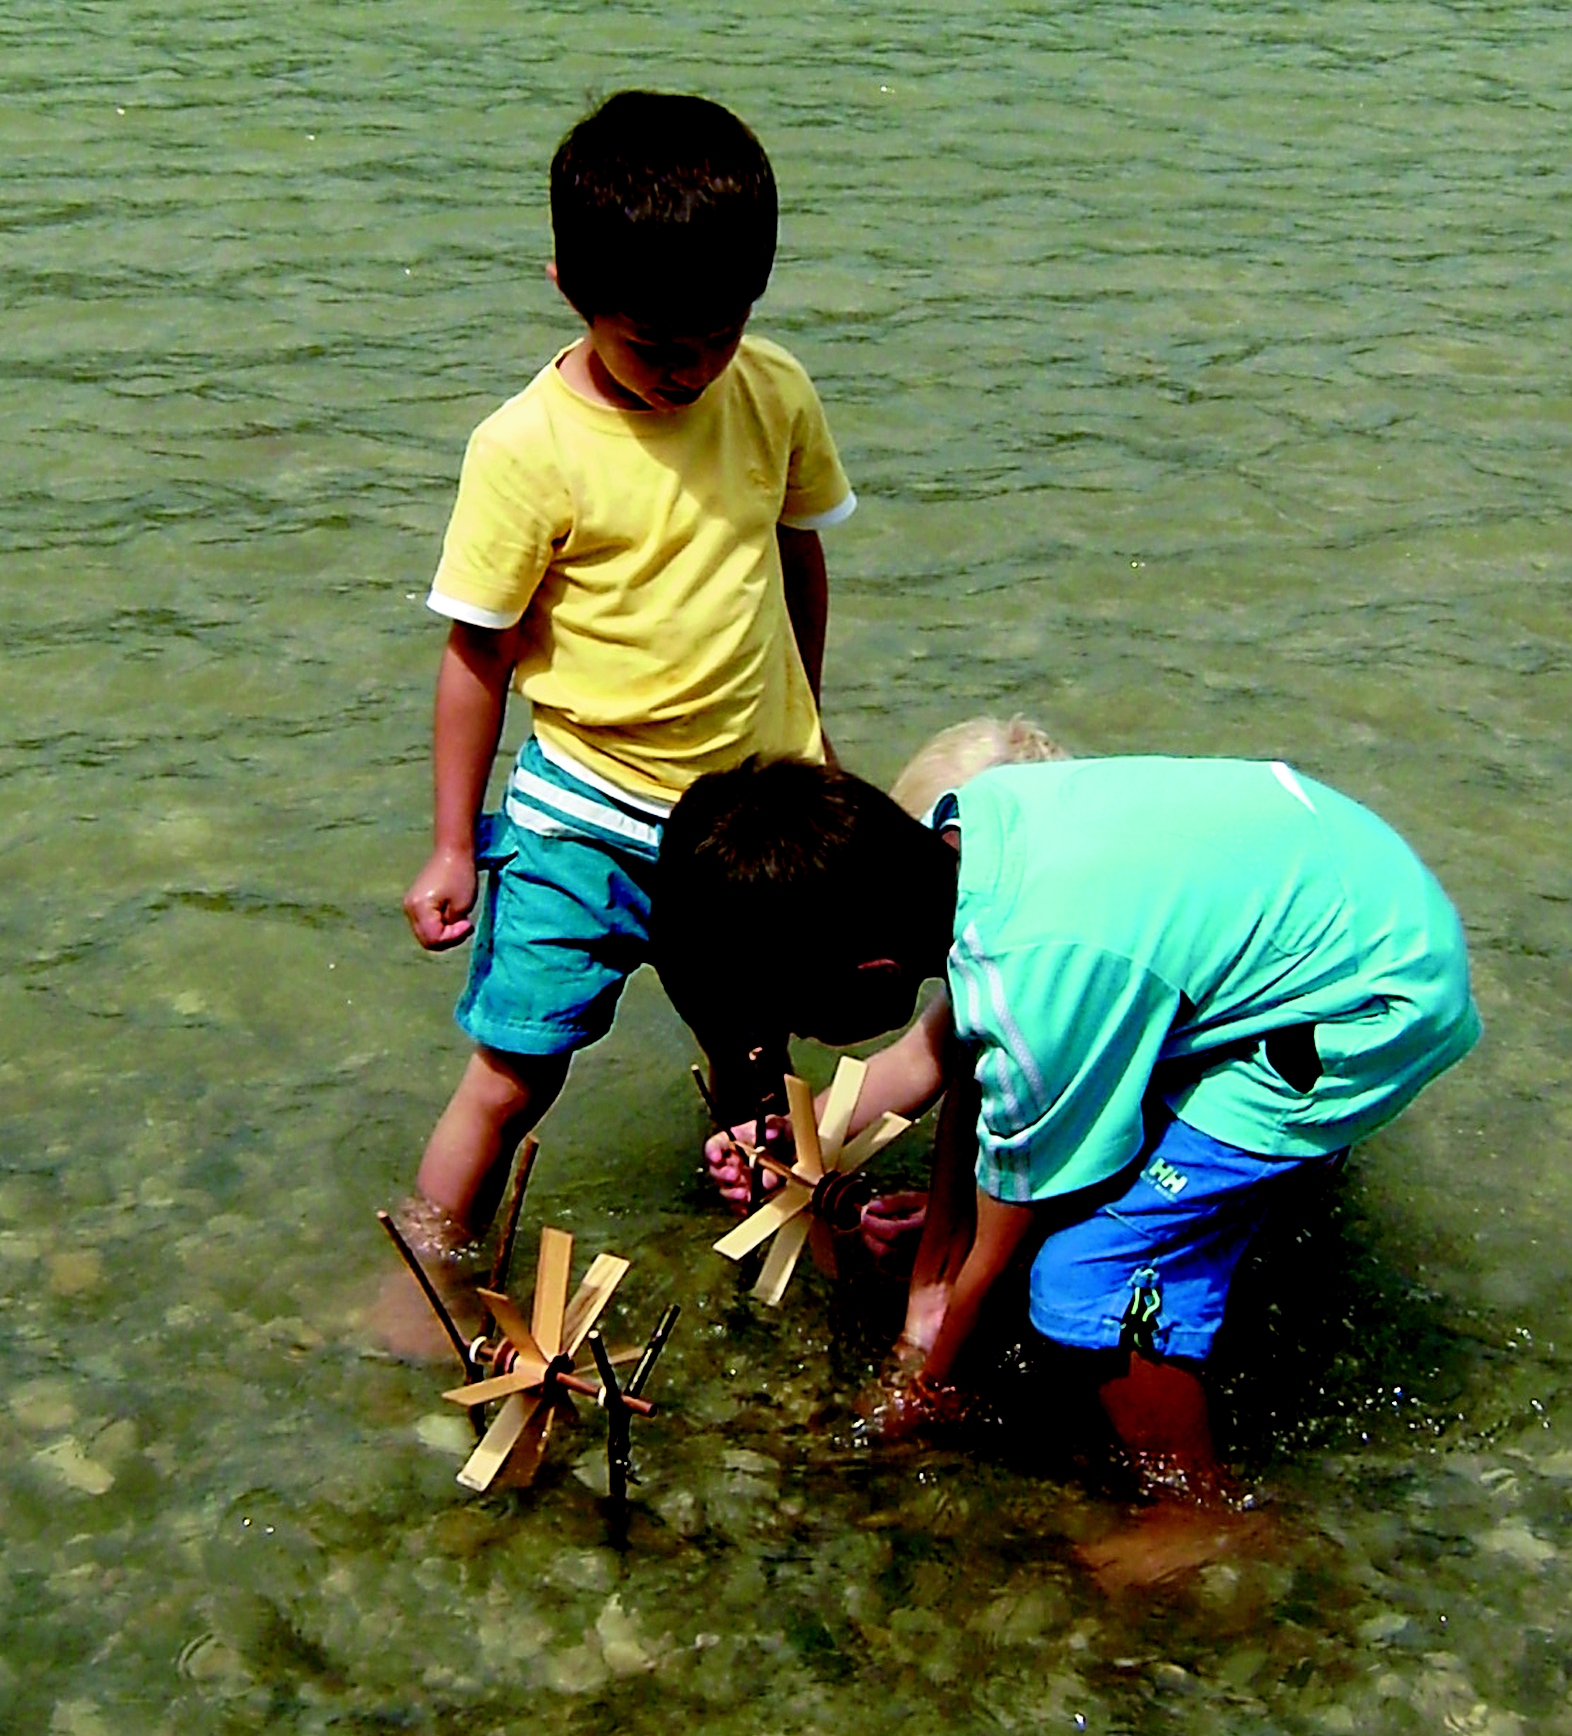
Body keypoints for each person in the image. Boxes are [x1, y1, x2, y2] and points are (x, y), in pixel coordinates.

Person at [652, 754, 1480, 1528]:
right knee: (1072, 1156)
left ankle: (1196, 1512)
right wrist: (820, 1132)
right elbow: (953, 1052)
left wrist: (928, 1373)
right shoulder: (971, 830)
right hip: (1339, 884)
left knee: (1086, 1274)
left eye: (802, 1021)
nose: (800, 1035)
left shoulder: (1039, 982)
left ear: (875, 974)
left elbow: (1008, 1242)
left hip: (1372, 1000)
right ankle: (1244, 1192)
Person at [394, 91, 857, 1277]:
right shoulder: (525, 450)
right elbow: (477, 654)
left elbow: (794, 557)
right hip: (586, 816)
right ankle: (425, 1264)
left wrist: (818, 741)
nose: (691, 369)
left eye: (722, 333)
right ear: (570, 289)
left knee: (758, 1060)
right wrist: (453, 844)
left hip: (749, 816)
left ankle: (771, 1245)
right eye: (654, 344)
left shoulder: (774, 391)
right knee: (514, 1066)